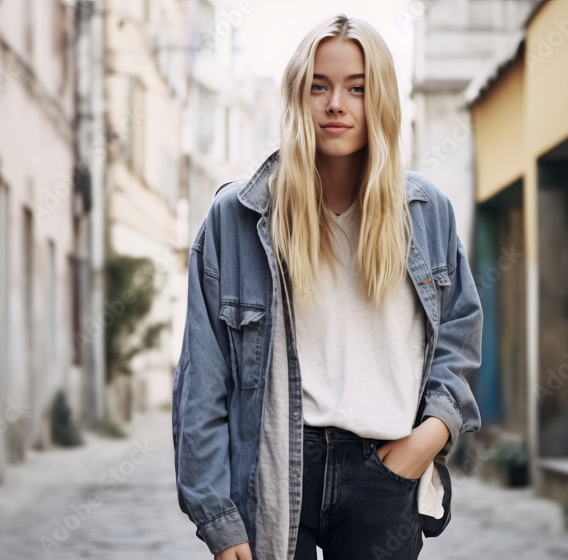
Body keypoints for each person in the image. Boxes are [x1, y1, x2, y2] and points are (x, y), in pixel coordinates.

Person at [172, 14, 482, 560]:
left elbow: (458, 333)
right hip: (276, 470)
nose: (336, 103)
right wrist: (218, 520)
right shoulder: (237, 219)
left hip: (385, 471)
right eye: (319, 86)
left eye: (357, 88)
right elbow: (202, 383)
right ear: (297, 96)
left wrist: (428, 438)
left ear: (380, 99)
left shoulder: (425, 213)